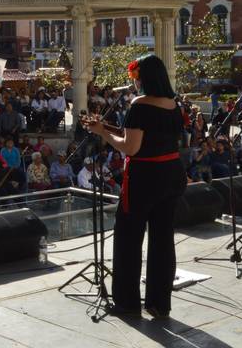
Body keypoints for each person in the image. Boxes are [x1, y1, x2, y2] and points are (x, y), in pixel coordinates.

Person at [87, 54, 186, 319]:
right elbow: (149, 137)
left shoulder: (139, 104)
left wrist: (102, 133)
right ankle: (159, 304)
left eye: (136, 76)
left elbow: (131, 147)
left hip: (145, 178)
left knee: (129, 239)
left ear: (143, 78)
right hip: (172, 174)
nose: (135, 81)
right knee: (163, 240)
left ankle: (128, 303)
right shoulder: (174, 105)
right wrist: (107, 128)